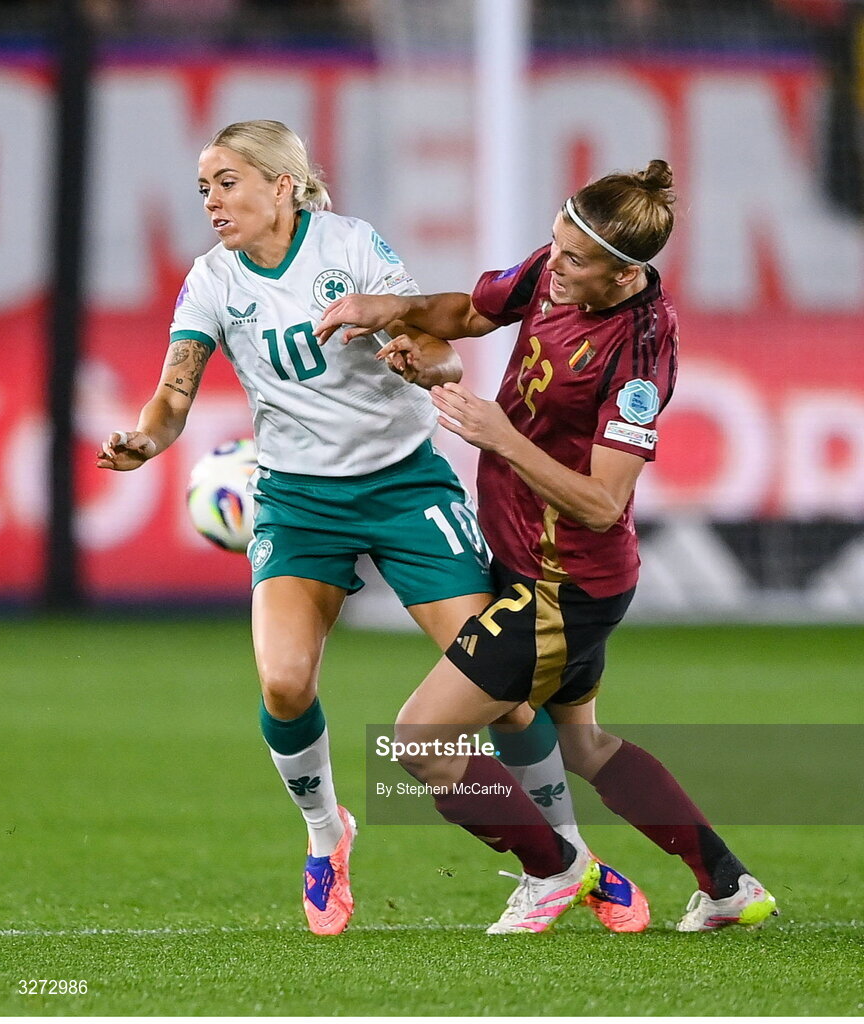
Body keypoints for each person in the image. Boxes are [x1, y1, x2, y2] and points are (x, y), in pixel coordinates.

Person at [94, 119, 641, 937]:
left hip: (404, 486)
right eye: (204, 186)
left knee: (500, 691)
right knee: (283, 683)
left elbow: (441, 348)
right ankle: (326, 837)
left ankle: (565, 855)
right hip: (297, 500)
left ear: (282, 185)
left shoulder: (348, 247)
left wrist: (419, 360)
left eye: (227, 181)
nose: (210, 199)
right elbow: (173, 395)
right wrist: (146, 436)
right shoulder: (210, 281)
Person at [315, 159, 779, 934]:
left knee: (419, 743)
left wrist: (500, 435)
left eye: (574, 260)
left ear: (625, 273)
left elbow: (603, 501)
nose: (553, 267)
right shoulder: (558, 264)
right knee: (585, 744)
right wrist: (387, 308)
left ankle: (558, 869)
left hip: (564, 584)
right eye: (555, 245)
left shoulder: (637, 355)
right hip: (531, 562)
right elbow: (468, 311)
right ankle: (729, 886)